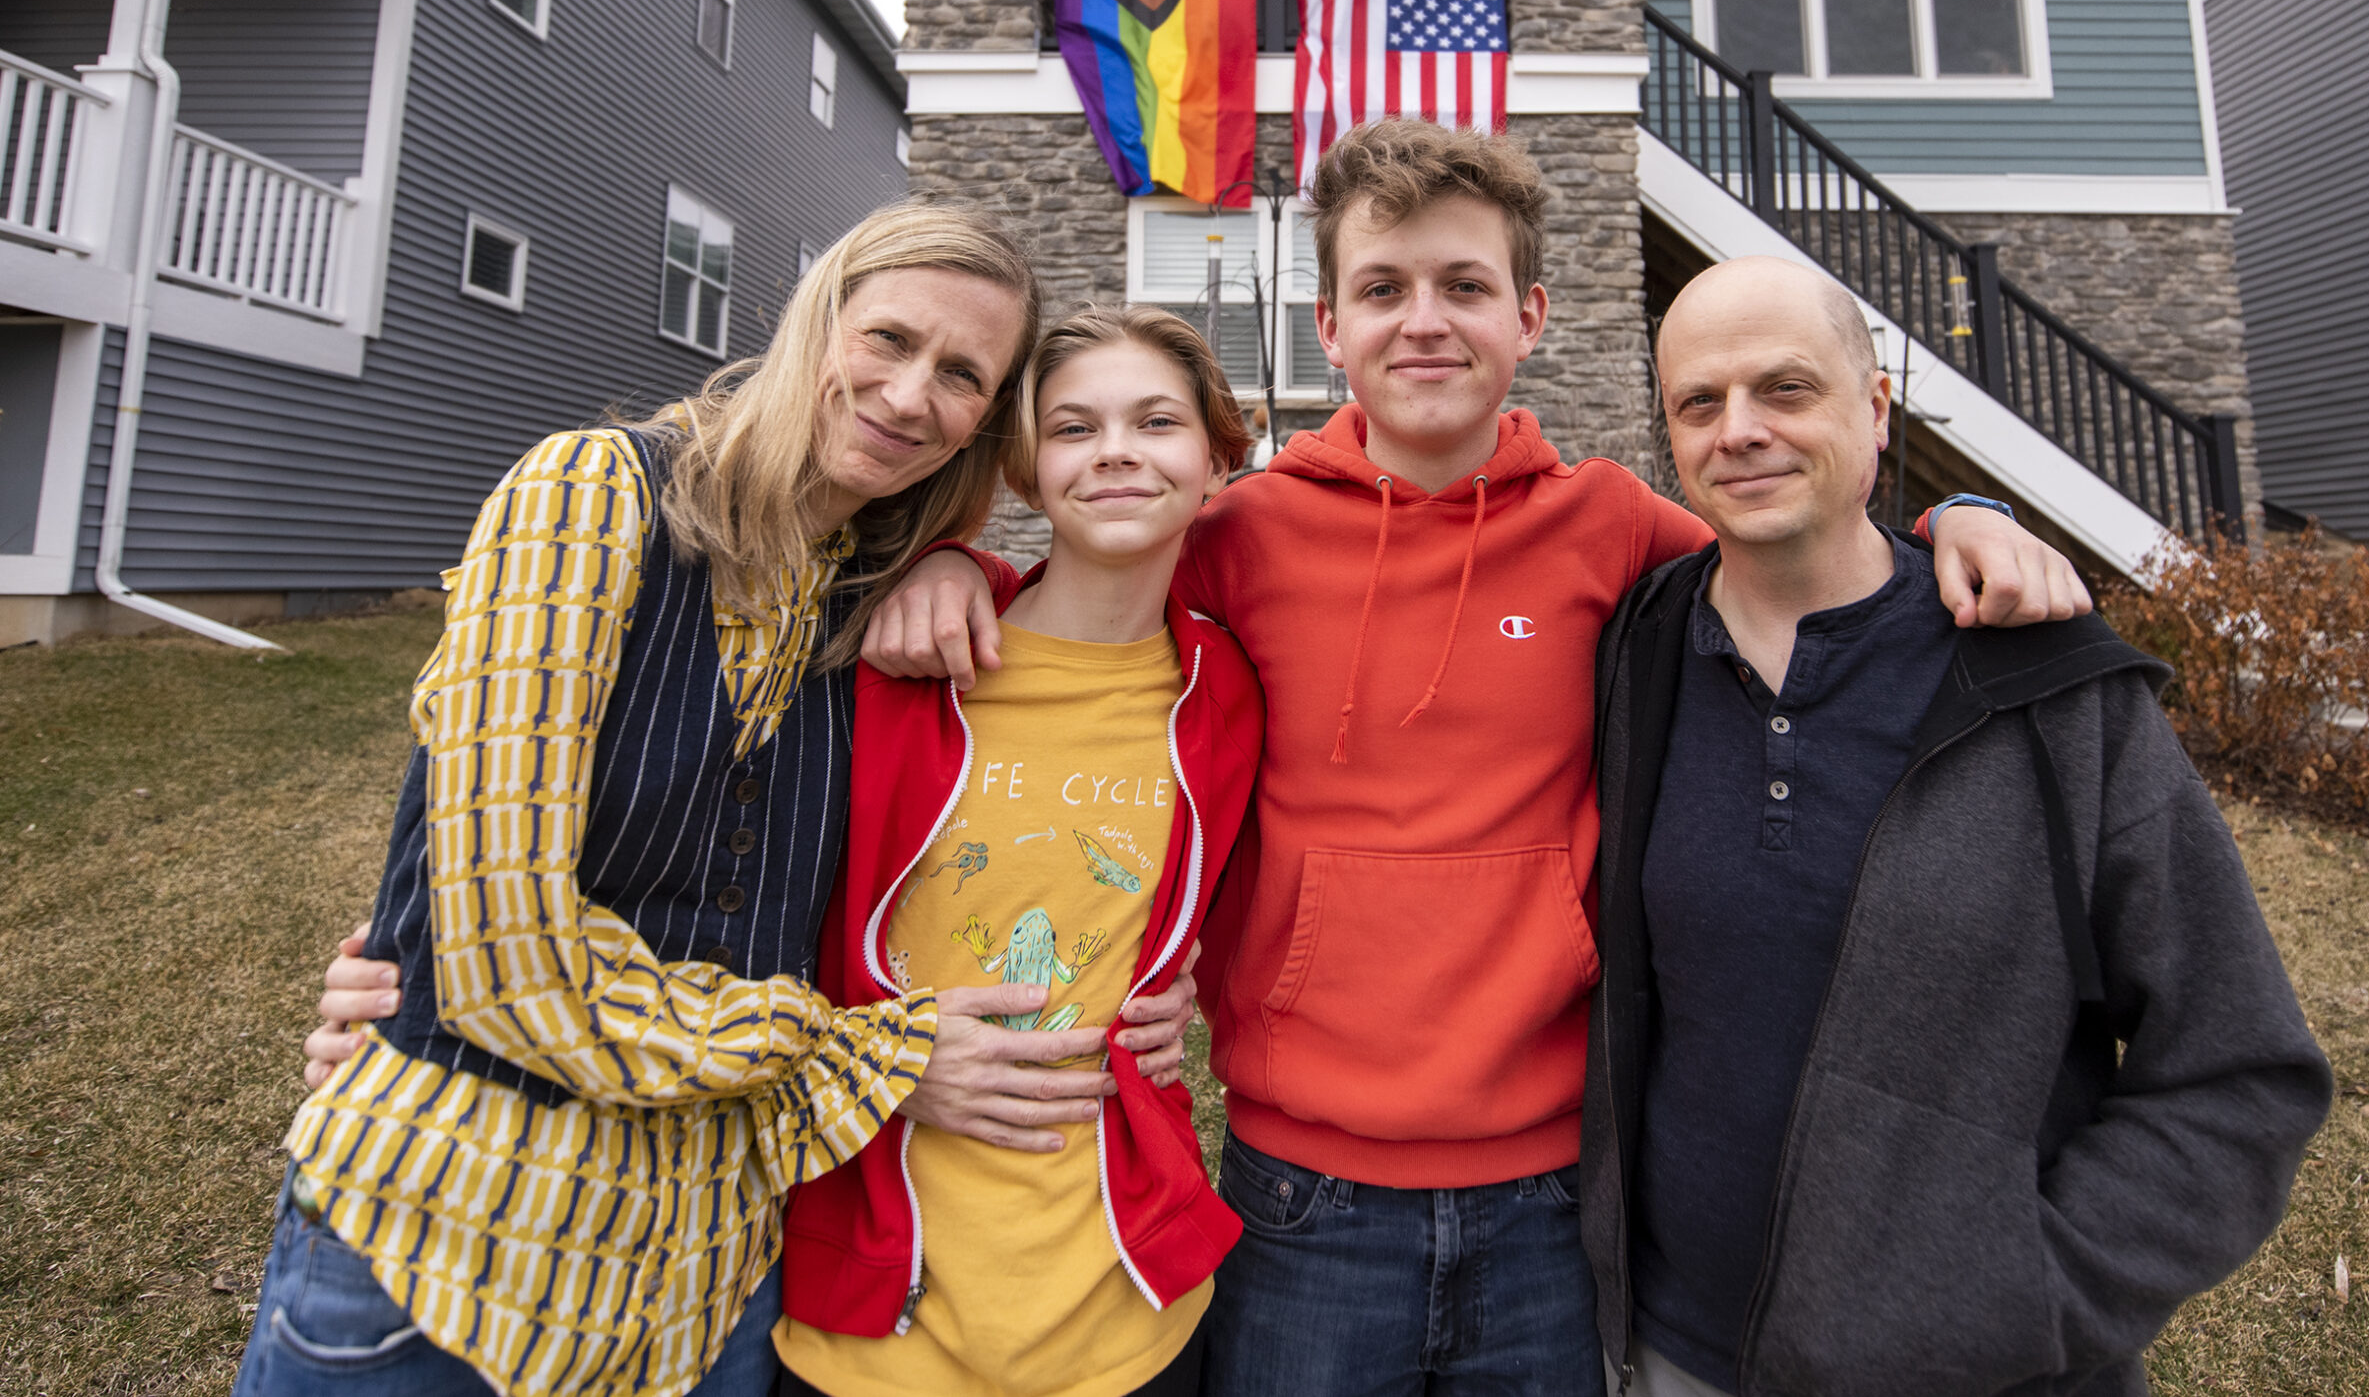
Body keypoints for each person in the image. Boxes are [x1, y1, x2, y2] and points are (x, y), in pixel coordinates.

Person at [862, 121, 2096, 1397]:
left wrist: (1961, 516)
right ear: (1330, 327)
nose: (1425, 322)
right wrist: (962, 562)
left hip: (1548, 1190)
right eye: (1382, 290)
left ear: (1532, 314)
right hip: (1302, 1187)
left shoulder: (1610, 523)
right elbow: (1093, 578)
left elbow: (1787, 542)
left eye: (1464, 286)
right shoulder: (1243, 534)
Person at [246, 206, 1185, 1397]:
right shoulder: (593, 495)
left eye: (961, 376)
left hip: (704, 1279)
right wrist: (874, 1058)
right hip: (457, 1248)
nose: (908, 395)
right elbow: (506, 958)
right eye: (888, 338)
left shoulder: (869, 604)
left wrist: (961, 561)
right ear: (815, 321)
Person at [1581, 255, 2333, 1397]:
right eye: (1699, 401)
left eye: (1784, 389)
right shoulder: (1636, 652)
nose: (1739, 431)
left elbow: (2239, 1072)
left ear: (1875, 405)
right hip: (1666, 1353)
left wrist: (2023, 1299)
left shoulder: (2048, 687)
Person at [770, 305, 1266, 1397]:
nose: (1119, 451)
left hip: (1125, 1306)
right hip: (877, 1302)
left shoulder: (1227, 692)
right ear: (1025, 467)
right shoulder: (895, 657)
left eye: (1156, 421)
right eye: (1074, 427)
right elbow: (733, 896)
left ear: (1218, 455)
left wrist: (1179, 980)